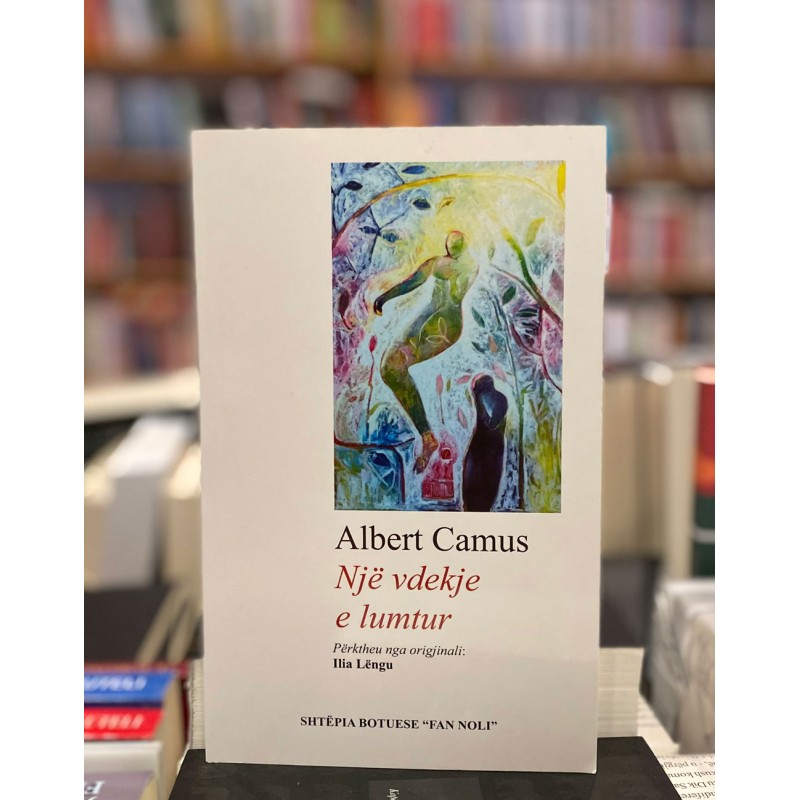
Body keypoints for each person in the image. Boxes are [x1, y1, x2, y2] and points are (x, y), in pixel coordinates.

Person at [374, 231, 477, 473]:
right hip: (440, 323)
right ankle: (427, 436)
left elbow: (419, 282)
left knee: (391, 368)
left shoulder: (452, 265)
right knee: (390, 368)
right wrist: (386, 297)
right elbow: (415, 281)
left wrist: (385, 297)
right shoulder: (457, 264)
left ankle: (427, 436)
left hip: (440, 324)